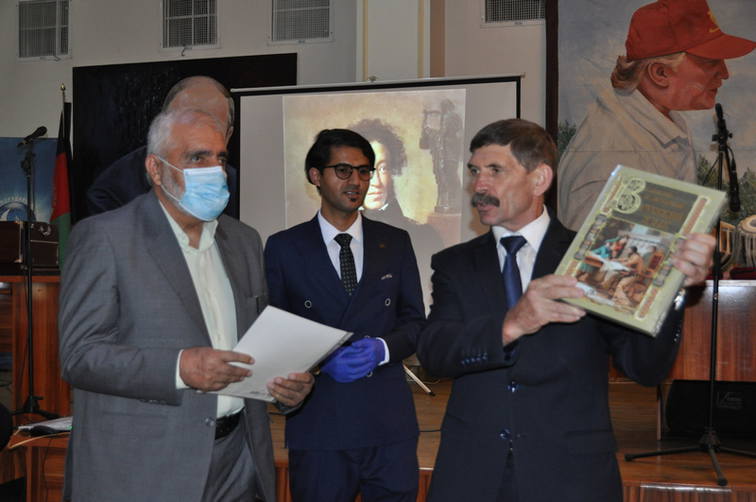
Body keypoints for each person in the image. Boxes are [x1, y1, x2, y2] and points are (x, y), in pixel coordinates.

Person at [416, 118, 715, 502]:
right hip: (472, 475)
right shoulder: (454, 264)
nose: (479, 186)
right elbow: (435, 354)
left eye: (495, 171)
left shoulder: (599, 257)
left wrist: (673, 291)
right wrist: (512, 323)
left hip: (570, 476)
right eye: (475, 171)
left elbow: (644, 368)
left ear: (539, 179)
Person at [59, 108, 313, 502]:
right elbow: (80, 356)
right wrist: (179, 368)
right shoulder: (105, 238)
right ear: (156, 169)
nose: (215, 170)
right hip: (146, 468)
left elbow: (254, 345)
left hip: (238, 462)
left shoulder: (244, 241)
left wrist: (285, 386)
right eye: (197, 157)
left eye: (220, 158)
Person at [264, 129, 425, 502]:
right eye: (343, 170)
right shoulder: (285, 247)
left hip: (388, 424)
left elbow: (416, 322)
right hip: (320, 423)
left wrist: (383, 348)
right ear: (315, 176)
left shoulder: (395, 242)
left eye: (364, 171)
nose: (356, 181)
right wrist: (322, 360)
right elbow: (276, 331)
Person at [558, 0, 756, 230]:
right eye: (710, 62)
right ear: (660, 73)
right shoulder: (610, 153)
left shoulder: (661, 122)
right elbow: (593, 251)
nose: (724, 73)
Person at [86, 76, 240, 218]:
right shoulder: (112, 192)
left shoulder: (238, 187)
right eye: (186, 125)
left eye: (212, 129)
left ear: (228, 136)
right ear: (163, 126)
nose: (198, 139)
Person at [350, 118, 444, 277]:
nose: (376, 182)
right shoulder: (337, 238)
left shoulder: (425, 237)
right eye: (364, 170)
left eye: (383, 168)